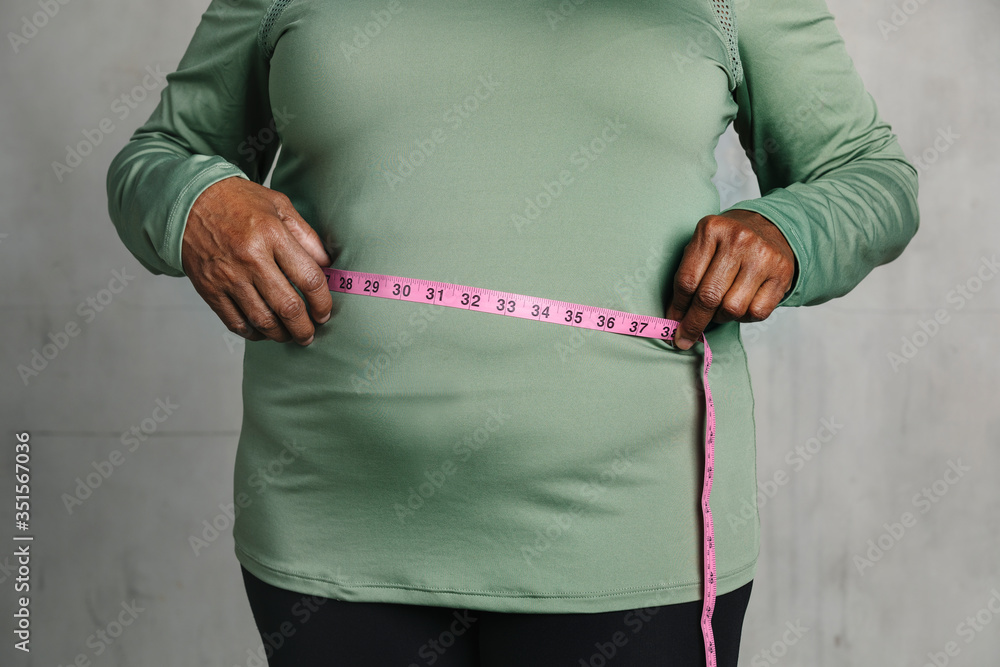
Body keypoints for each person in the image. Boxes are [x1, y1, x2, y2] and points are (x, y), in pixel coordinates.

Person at [105, 0, 919, 664]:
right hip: (332, 527)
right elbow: (161, 153)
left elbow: (870, 175)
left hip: (635, 540)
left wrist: (788, 232)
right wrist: (197, 203)